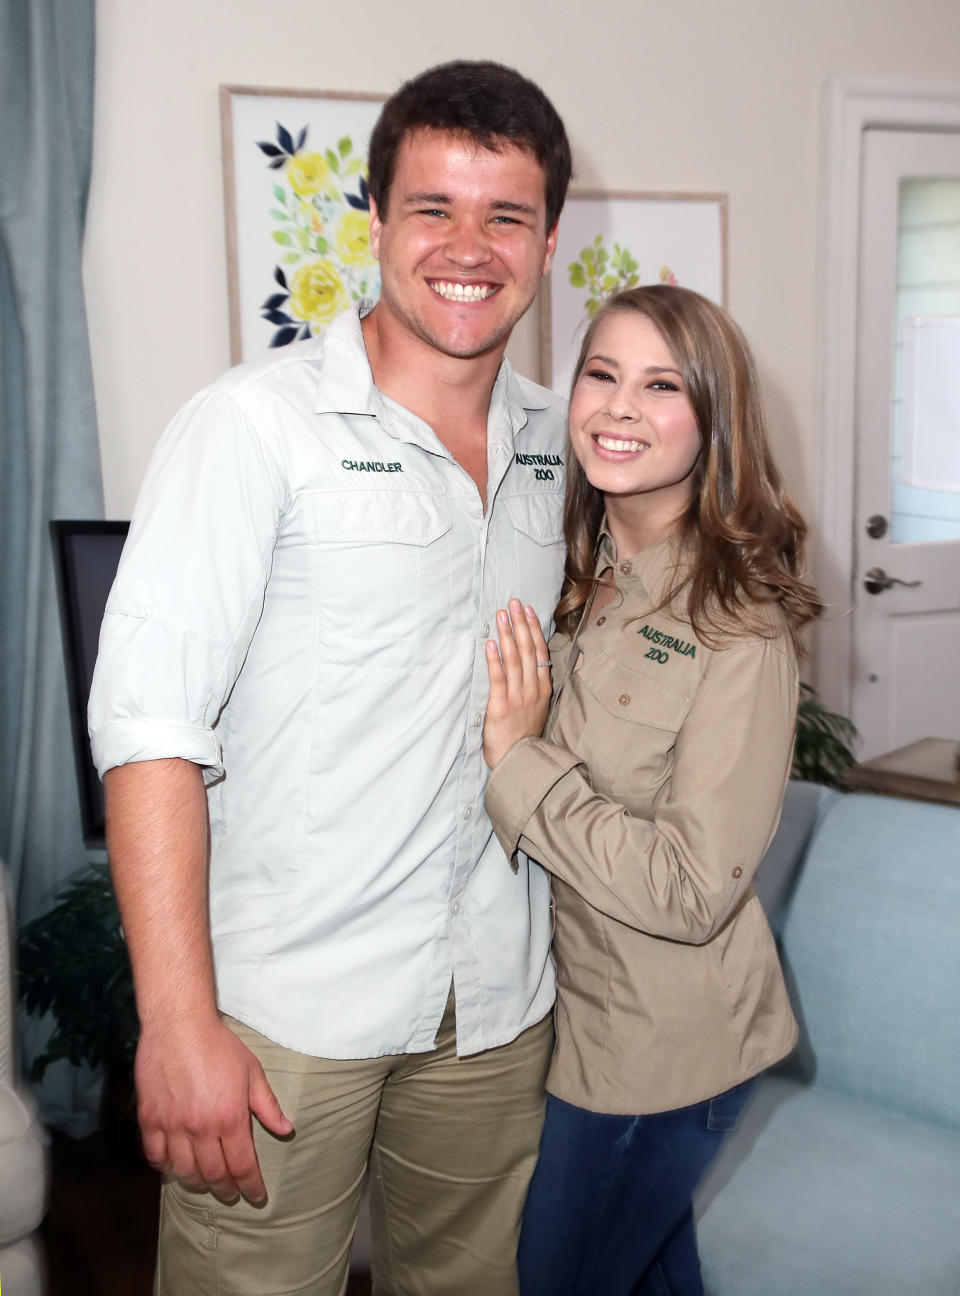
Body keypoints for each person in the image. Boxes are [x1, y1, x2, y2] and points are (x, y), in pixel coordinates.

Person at [88, 60, 571, 1296]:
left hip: (495, 1009)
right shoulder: (251, 430)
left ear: (550, 238)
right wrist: (178, 1024)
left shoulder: (561, 450)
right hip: (286, 1021)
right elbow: (151, 731)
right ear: (375, 223)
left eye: (505, 215)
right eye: (434, 209)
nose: (470, 247)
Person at [481, 284, 823, 1296]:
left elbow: (690, 887)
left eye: (662, 386)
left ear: (714, 420)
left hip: (662, 1053)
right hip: (569, 1011)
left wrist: (519, 760)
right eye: (603, 374)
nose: (621, 407)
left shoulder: (740, 627)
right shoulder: (570, 566)